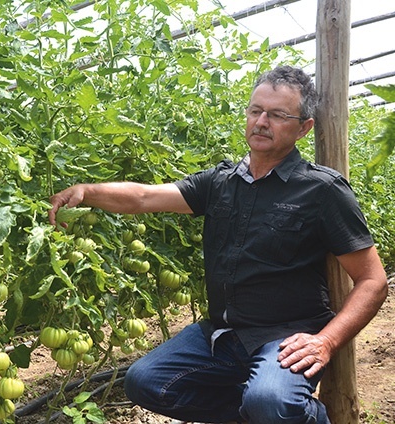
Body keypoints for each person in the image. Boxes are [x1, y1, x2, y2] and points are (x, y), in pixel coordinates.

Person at [48, 65, 388, 424]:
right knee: (145, 381)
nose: (261, 122)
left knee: (269, 400)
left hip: (285, 338)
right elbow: (144, 198)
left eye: (276, 115)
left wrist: (327, 341)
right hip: (224, 333)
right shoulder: (221, 181)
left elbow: (372, 281)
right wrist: (87, 192)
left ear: (304, 127)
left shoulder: (322, 190)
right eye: (256, 111)